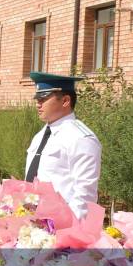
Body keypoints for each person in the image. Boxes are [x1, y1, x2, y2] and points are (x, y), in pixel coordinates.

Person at [25, 72, 101, 219]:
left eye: (43, 99)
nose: (38, 104)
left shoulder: (81, 138)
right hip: (32, 221)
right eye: (37, 99)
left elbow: (85, 195)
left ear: (65, 100)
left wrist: (67, 227)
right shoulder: (40, 135)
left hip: (60, 225)